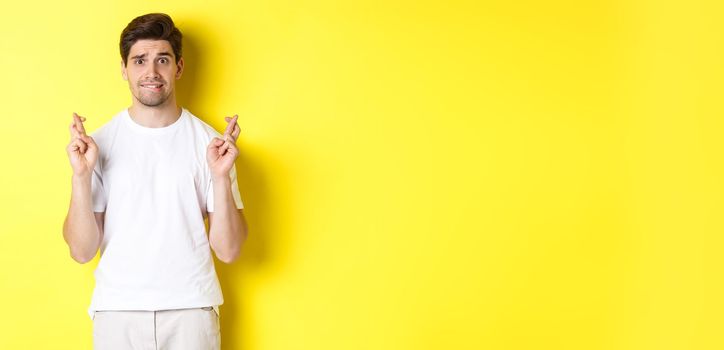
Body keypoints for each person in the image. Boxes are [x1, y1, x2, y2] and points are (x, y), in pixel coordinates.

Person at [62, 13, 248, 349]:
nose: (151, 72)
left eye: (162, 59)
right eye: (140, 61)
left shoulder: (211, 146)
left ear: (178, 67)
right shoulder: (99, 144)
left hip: (191, 310)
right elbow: (81, 250)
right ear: (124, 69)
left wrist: (220, 177)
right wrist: (81, 176)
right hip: (118, 312)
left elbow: (229, 249)